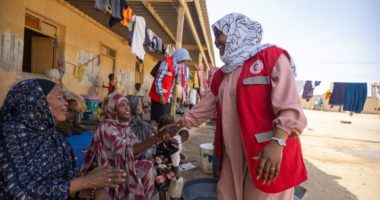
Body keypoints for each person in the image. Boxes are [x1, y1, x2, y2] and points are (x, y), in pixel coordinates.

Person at [162, 13, 308, 200]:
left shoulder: (271, 57)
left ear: (238, 32)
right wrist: (176, 125)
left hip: (267, 155)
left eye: (220, 35)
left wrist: (277, 144)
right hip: (233, 157)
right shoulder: (222, 75)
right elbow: (203, 109)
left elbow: (290, 107)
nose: (216, 42)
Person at [0, 78, 126, 199]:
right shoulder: (10, 138)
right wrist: (87, 182)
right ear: (36, 101)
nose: (66, 103)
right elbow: (19, 193)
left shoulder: (52, 136)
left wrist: (93, 192)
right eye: (59, 97)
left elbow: (65, 183)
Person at [81, 93, 175, 200]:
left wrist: (139, 148)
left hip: (122, 167)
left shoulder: (125, 126)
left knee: (148, 166)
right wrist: (157, 137)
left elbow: (134, 148)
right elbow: (129, 151)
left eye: (128, 104)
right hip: (110, 173)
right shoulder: (106, 127)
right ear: (112, 108)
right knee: (147, 167)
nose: (127, 108)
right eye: (122, 105)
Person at [149, 48, 191, 123]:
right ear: (180, 56)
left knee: (164, 121)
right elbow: (158, 80)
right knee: (156, 121)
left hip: (167, 99)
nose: (184, 62)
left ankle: (162, 134)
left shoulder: (176, 65)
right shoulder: (166, 62)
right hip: (159, 98)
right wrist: (161, 95)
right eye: (184, 59)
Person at [154, 114, 189, 200]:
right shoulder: (174, 142)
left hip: (159, 169)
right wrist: (177, 172)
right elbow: (175, 159)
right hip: (171, 169)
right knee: (173, 188)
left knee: (162, 190)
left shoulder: (156, 139)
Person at [126, 94, 155, 160]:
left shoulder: (136, 117)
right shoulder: (127, 121)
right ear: (132, 106)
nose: (140, 106)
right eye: (138, 104)